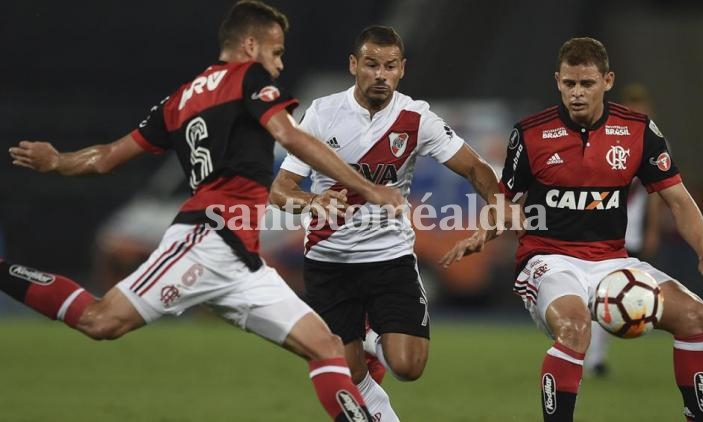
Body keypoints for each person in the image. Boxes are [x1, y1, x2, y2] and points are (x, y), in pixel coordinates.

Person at [4, 2, 407, 420]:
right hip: (204, 239)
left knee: (324, 346)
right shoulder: (246, 77)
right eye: (276, 51)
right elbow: (288, 134)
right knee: (99, 320)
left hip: (241, 262)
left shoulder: (178, 99)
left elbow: (106, 157)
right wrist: (368, 187)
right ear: (251, 45)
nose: (280, 63)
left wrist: (58, 161)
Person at [441, 37, 703, 421]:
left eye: (587, 84)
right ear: (557, 81)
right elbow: (504, 199)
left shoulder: (638, 130)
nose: (577, 93)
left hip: (612, 261)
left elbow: (677, 198)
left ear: (608, 81)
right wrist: (483, 232)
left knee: (696, 315)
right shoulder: (531, 133)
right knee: (575, 327)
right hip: (547, 259)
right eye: (569, 84)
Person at [269, 25, 501, 421]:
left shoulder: (415, 118)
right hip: (330, 260)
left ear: (402, 69)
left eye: (390, 66)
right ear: (354, 65)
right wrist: (312, 200)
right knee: (349, 371)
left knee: (409, 366)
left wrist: (498, 205)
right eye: (372, 64)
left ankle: (375, 338)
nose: (381, 74)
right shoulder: (323, 114)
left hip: (389, 258)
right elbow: (280, 190)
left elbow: (475, 166)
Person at [584, 83, 664, 376]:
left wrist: (653, 230)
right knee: (603, 295)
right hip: (601, 230)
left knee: (610, 295)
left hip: (630, 234)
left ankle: (594, 356)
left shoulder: (653, 141)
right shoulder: (605, 137)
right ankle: (592, 357)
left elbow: (654, 194)